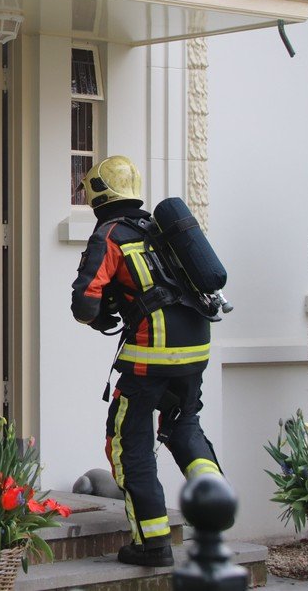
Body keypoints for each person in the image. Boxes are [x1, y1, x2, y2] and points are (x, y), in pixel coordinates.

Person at [70, 155, 222, 567]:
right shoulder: (162, 230)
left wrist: (100, 313)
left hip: (150, 354)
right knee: (183, 424)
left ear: (99, 193)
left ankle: (153, 543)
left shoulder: (111, 233)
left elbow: (84, 303)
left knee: (129, 439)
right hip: (196, 347)